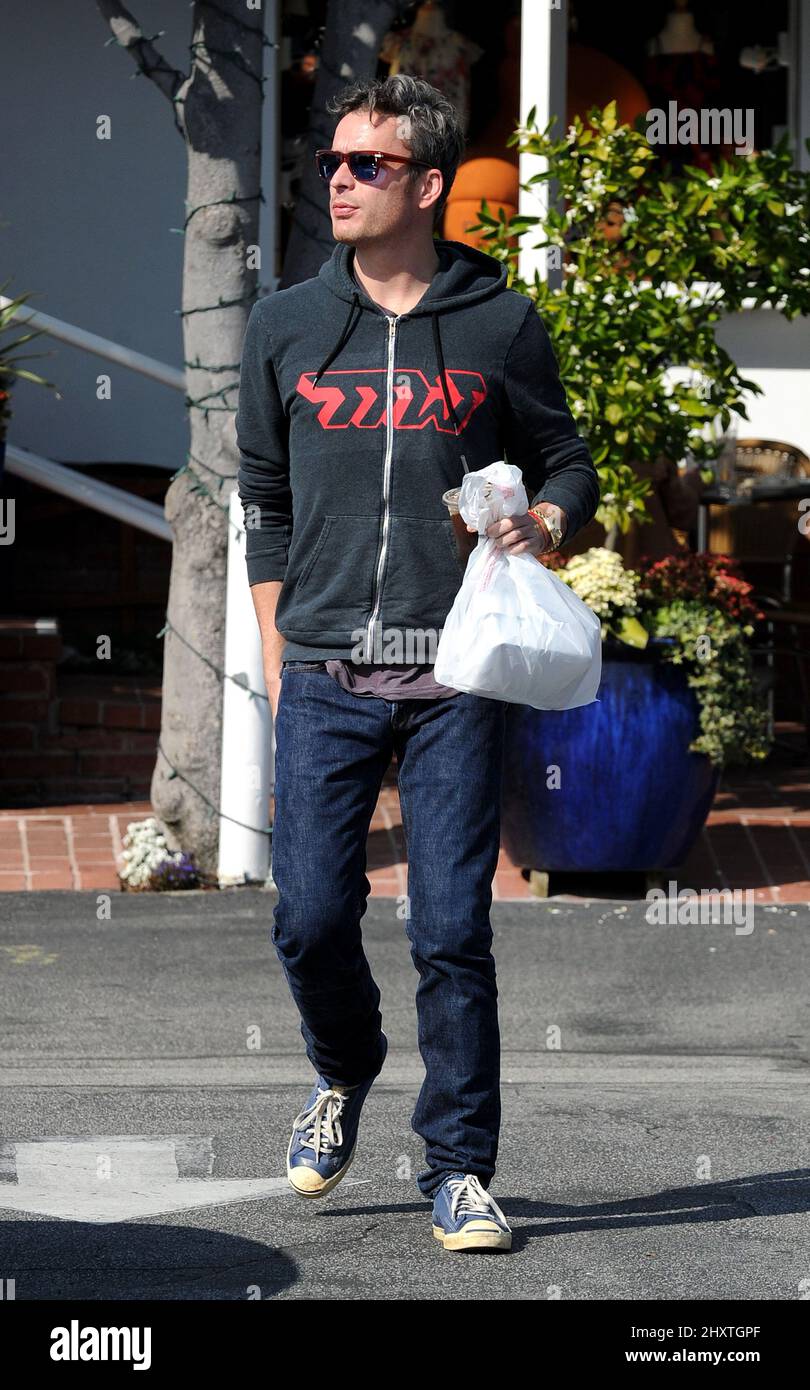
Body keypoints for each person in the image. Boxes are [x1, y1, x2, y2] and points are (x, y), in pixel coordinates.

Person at [236, 74, 600, 1253]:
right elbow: (266, 494)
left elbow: (567, 463)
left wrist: (539, 524)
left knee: (451, 926)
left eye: (367, 165)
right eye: (333, 162)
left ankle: (459, 1168)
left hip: (457, 672)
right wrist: (280, 641)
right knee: (309, 916)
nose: (338, 180)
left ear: (429, 184)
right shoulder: (287, 324)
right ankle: (344, 1069)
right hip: (329, 666)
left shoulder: (499, 324)